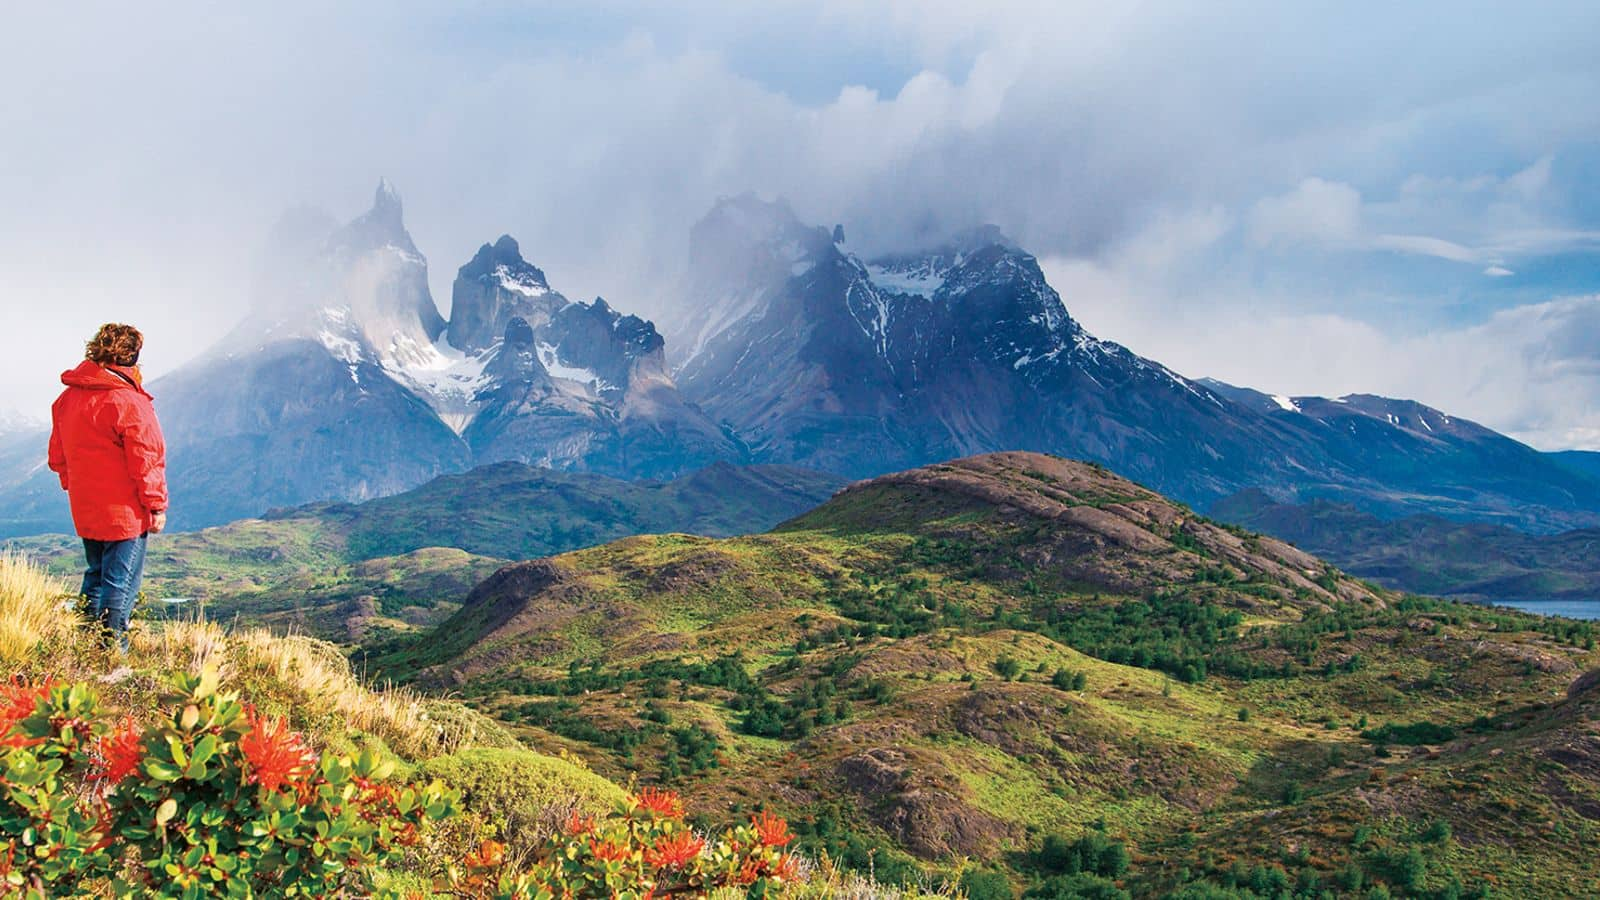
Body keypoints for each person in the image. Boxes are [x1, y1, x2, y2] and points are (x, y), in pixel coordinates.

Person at [47, 323, 168, 653]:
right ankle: (113, 654)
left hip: (86, 506)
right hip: (124, 511)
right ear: (132, 356)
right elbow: (147, 458)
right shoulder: (128, 402)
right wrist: (155, 506)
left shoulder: (67, 399)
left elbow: (58, 456)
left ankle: (86, 645)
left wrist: (76, 486)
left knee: (96, 573)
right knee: (120, 582)